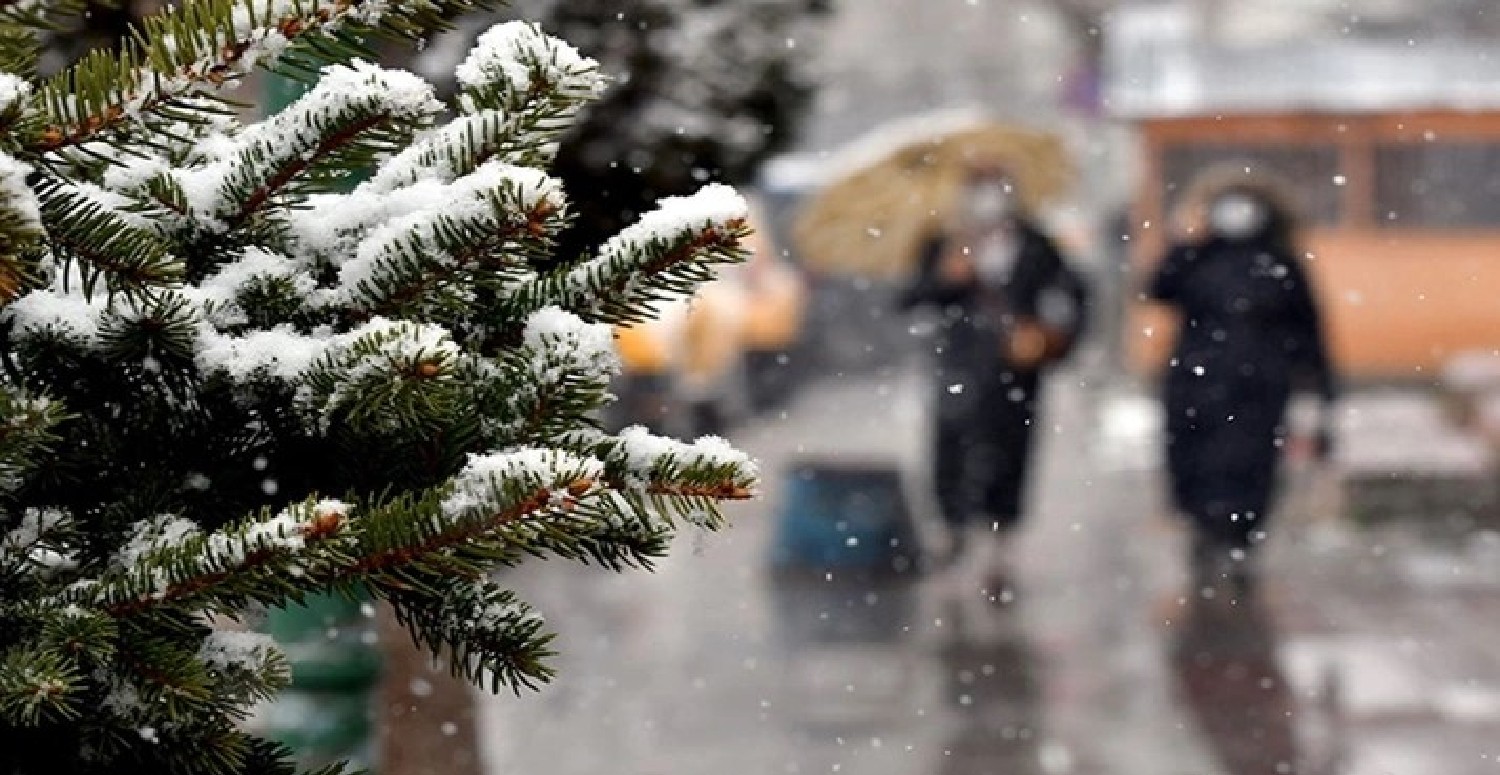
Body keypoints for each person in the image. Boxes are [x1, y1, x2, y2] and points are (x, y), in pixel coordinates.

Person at [901, 163, 1088, 593]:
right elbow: (912, 299)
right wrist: (945, 280)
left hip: (1017, 373)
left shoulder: (1038, 244)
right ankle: (953, 529)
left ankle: (1001, 544)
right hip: (959, 367)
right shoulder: (944, 243)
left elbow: (1070, 297)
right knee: (952, 451)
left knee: (1011, 454)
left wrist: (1048, 335)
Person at [1147, 173, 1338, 589]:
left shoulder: (1280, 262)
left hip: (1259, 386)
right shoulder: (1198, 256)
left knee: (1252, 464)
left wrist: (1318, 387)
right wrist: (1184, 241)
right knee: (1193, 460)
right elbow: (1158, 287)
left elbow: (1308, 328)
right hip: (1195, 381)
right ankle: (1203, 530)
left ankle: (1240, 540)